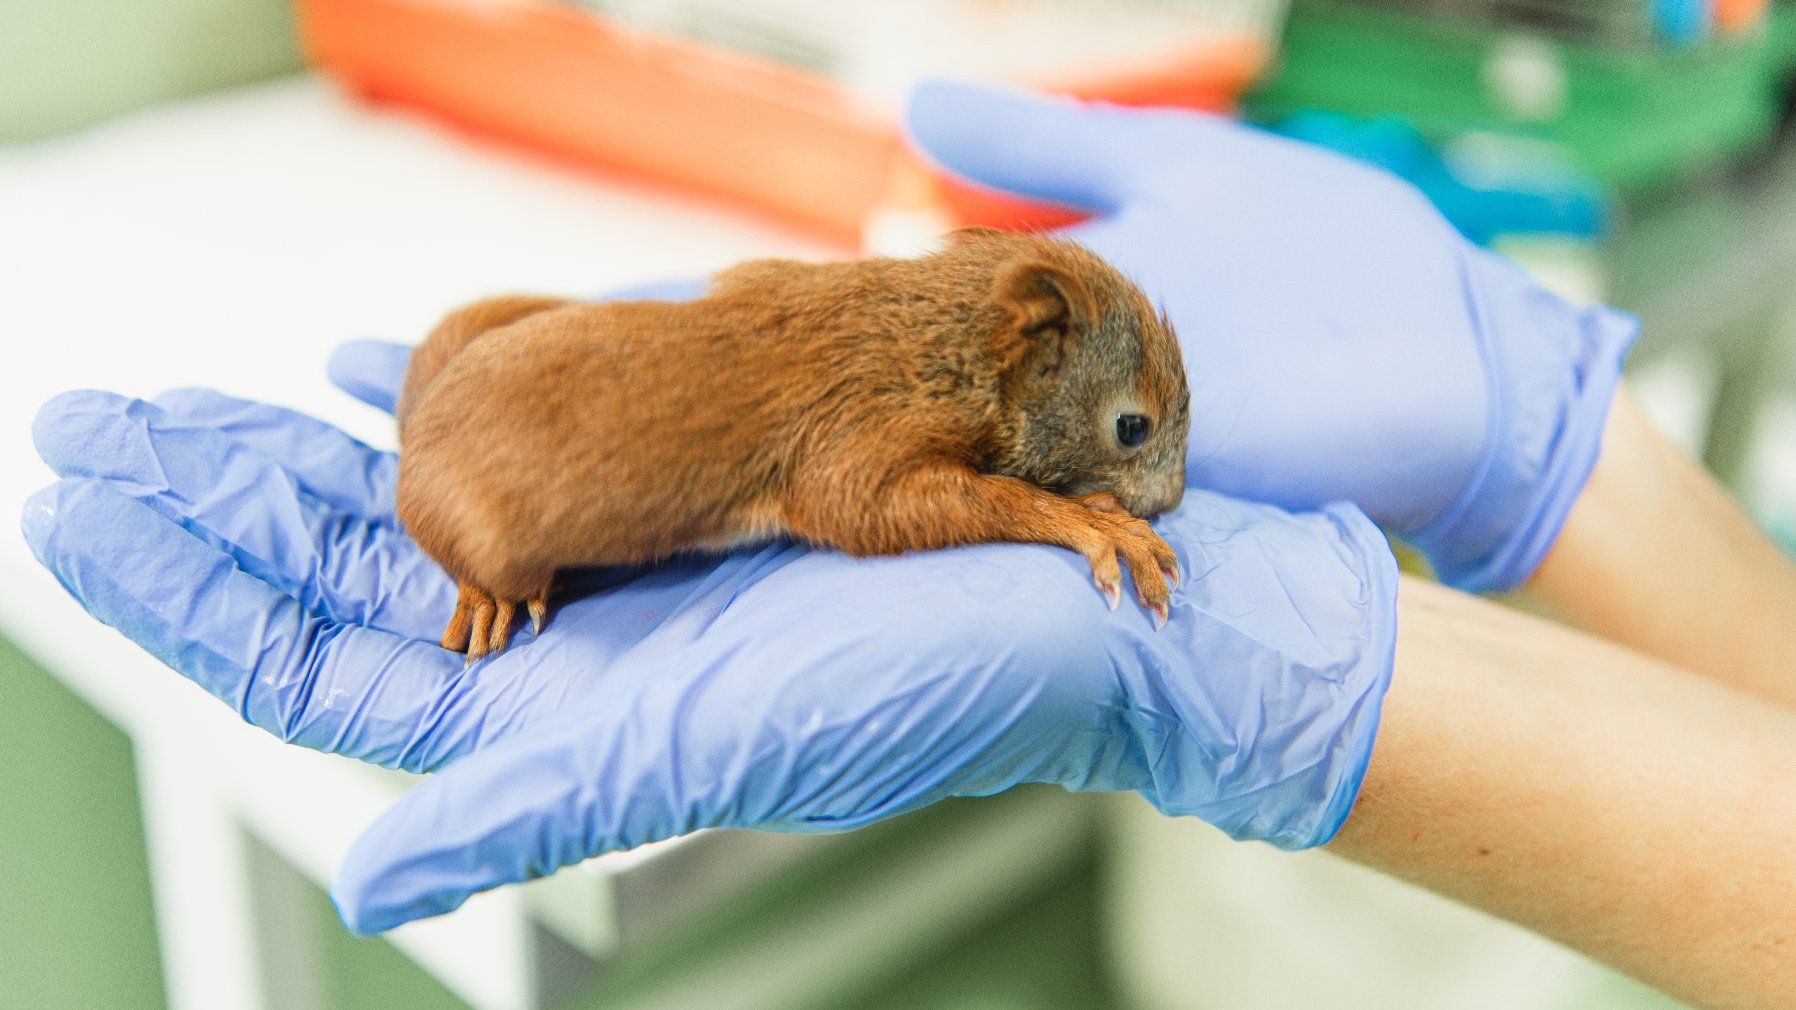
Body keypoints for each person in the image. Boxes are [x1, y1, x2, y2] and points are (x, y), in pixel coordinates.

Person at [21, 81, 1796, 1008]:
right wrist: (1050, 509)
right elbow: (854, 499)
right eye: (1130, 442)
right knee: (474, 507)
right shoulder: (887, 403)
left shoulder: (939, 340)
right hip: (509, 483)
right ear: (1021, 340)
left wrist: (1534, 433)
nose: (1155, 485)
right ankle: (487, 535)